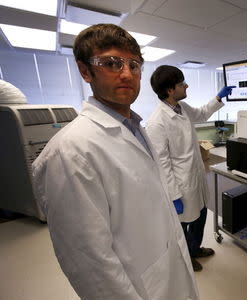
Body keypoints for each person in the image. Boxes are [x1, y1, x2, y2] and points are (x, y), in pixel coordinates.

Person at [32, 24, 198, 300]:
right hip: (139, 286)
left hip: (167, 268)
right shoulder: (71, 152)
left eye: (134, 65)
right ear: (86, 71)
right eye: (111, 63)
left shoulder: (135, 128)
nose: (127, 74)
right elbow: (90, 265)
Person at [146, 65, 234, 271]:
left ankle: (195, 249)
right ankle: (185, 257)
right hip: (181, 185)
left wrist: (218, 98)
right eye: (181, 83)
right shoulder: (157, 122)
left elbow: (202, 114)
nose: (186, 85)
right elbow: (162, 162)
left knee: (201, 216)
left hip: (196, 176)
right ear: (169, 90)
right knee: (183, 224)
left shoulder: (182, 108)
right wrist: (174, 195)